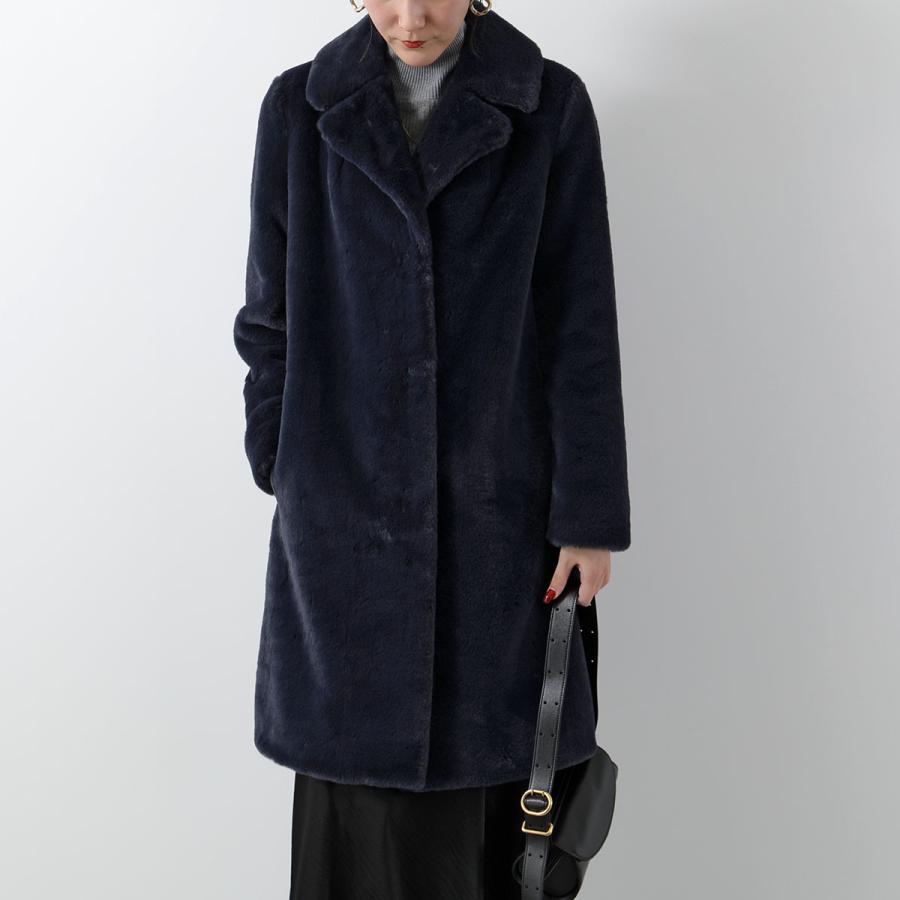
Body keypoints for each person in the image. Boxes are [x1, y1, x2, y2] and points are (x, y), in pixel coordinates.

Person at [233, 1, 632, 897]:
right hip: (341, 529)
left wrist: (588, 515)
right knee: (356, 813)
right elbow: (268, 319)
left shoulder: (548, 105)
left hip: (498, 521)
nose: (410, 18)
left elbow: (580, 322)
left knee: (488, 799)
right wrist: (285, 459)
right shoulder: (299, 107)